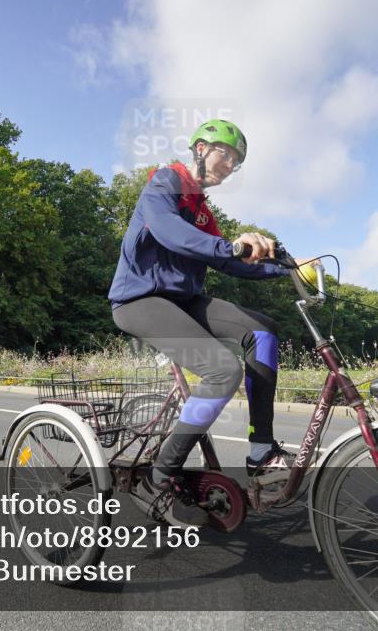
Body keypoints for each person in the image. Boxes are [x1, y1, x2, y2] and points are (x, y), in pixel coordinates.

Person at [108, 119, 310, 528]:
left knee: (262, 330)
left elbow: (228, 261)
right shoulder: (165, 182)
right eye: (226, 155)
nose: (230, 166)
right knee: (222, 370)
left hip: (185, 302)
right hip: (140, 300)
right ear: (200, 149)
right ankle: (159, 476)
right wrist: (232, 245)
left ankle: (261, 450)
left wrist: (286, 268)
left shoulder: (202, 210)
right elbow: (170, 232)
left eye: (236, 162)